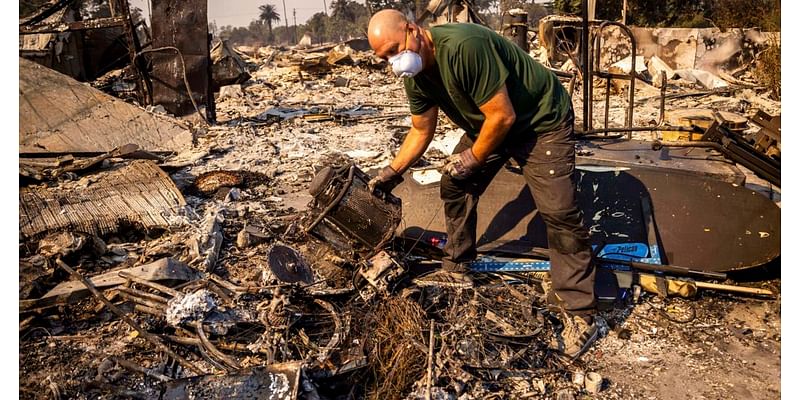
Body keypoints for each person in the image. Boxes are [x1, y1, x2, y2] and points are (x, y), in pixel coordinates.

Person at [366, 9, 599, 359]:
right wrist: (392, 172)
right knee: (455, 184)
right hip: (493, 126)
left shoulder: (465, 46)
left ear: (414, 30)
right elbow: (420, 130)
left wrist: (473, 158)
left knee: (558, 211)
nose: (394, 62)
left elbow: (503, 115)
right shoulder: (416, 77)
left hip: (539, 121)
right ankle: (458, 266)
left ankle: (581, 311)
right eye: (385, 58)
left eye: (395, 50)